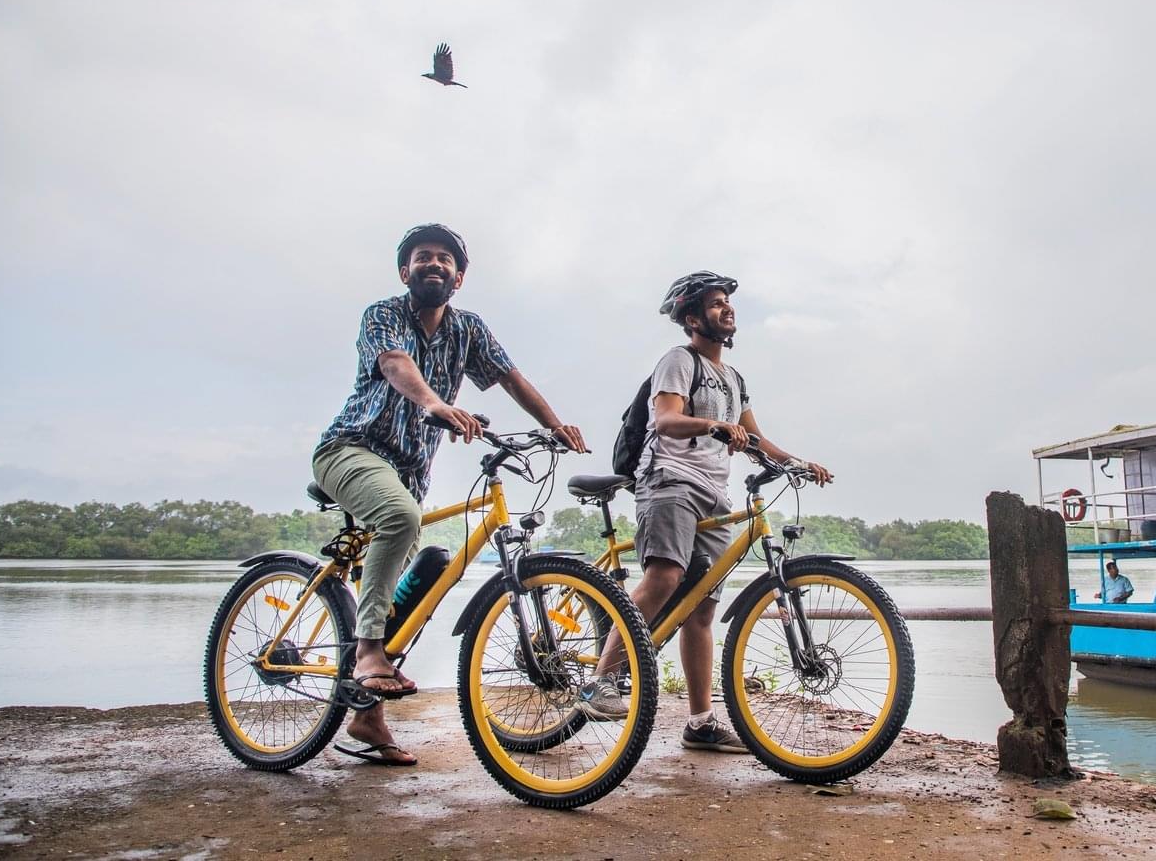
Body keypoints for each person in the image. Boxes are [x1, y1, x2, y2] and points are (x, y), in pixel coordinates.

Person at [313, 224, 587, 766]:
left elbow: (511, 378)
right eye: (422, 257)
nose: (433, 264)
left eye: (444, 259)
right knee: (400, 516)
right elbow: (396, 365)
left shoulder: (468, 330)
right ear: (405, 271)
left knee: (431, 570)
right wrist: (435, 403)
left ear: (458, 278)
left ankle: (367, 717)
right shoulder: (383, 314)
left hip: (409, 472)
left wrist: (554, 425)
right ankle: (367, 651)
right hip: (349, 450)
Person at [584, 271, 831, 752]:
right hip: (670, 481)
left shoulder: (734, 379)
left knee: (701, 613)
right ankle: (601, 683)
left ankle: (700, 723)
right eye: (716, 304)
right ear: (693, 318)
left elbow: (754, 438)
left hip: (715, 495)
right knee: (665, 578)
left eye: (727, 303)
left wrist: (795, 462)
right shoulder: (680, 360)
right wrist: (714, 424)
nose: (727, 309)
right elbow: (667, 420)